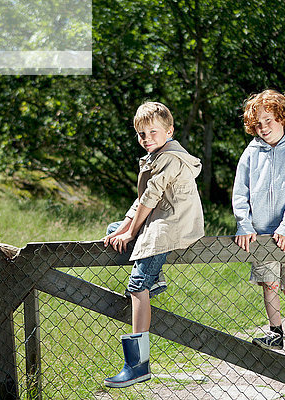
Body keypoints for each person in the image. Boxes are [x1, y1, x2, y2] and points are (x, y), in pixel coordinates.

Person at [103, 101, 205, 387]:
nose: (146, 138)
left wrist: (130, 233)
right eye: (141, 134)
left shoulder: (170, 158)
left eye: (153, 132)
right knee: (114, 229)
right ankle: (154, 277)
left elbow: (149, 199)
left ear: (169, 130)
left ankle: (138, 365)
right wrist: (123, 229)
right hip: (161, 218)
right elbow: (141, 200)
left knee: (137, 286)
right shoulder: (157, 156)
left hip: (172, 224)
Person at [232, 89, 285, 362]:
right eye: (257, 123)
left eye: (268, 120)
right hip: (261, 235)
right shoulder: (251, 152)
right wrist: (244, 224)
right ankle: (275, 332)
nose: (263, 127)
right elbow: (240, 192)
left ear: (281, 117)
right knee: (270, 284)